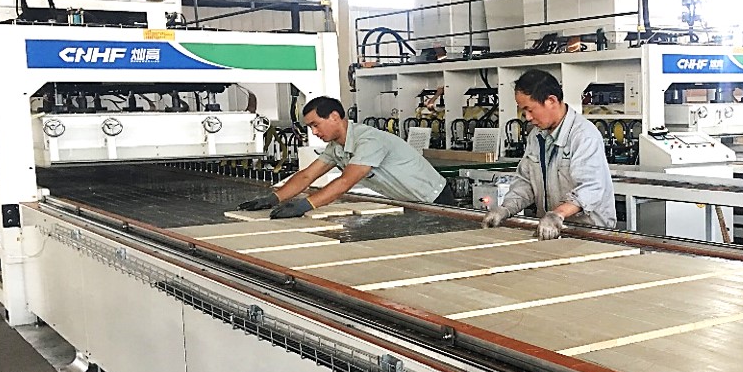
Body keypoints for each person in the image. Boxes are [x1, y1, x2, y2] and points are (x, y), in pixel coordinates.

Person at [238, 96, 455, 218]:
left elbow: (345, 182)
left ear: (334, 117)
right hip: (409, 203)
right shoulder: (337, 147)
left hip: (436, 200)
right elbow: (307, 176)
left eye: (315, 125)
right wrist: (273, 199)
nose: (314, 132)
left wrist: (304, 206)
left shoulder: (368, 140)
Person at [483, 70, 615, 239]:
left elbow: (590, 188)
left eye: (530, 109)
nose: (527, 117)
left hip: (590, 234)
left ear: (551, 101)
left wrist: (557, 214)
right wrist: (505, 209)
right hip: (553, 231)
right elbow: (526, 182)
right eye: (523, 111)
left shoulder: (583, 136)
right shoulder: (536, 136)